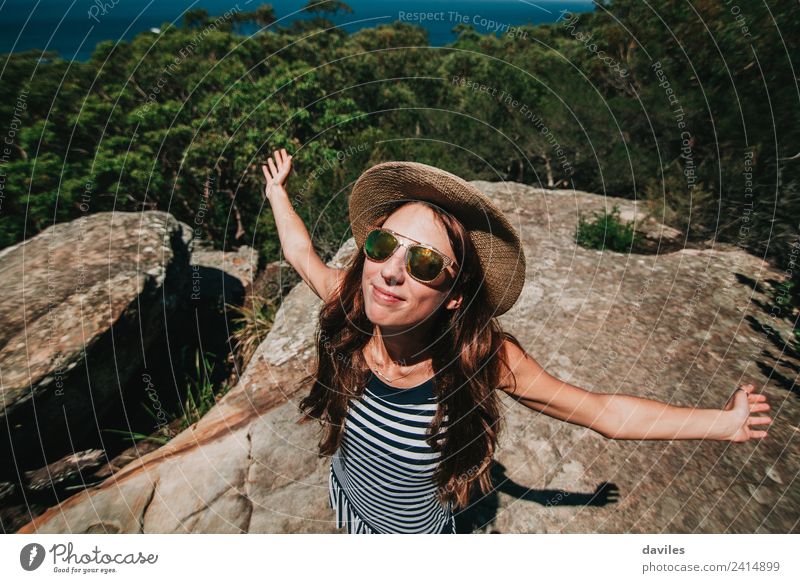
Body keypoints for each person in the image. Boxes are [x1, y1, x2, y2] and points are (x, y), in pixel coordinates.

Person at [260, 148, 772, 535]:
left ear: (455, 297)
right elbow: (302, 252)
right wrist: (277, 191)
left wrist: (724, 423)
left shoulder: (478, 357)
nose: (390, 271)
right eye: (382, 244)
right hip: (349, 502)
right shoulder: (350, 307)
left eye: (423, 263)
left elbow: (603, 413)